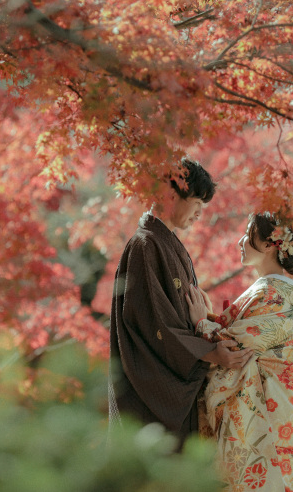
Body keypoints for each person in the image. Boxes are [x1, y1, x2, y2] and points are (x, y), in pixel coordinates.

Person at [109, 158, 254, 449]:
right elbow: (157, 325)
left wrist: (206, 325)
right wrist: (211, 352)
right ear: (172, 194)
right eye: (197, 204)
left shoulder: (165, 243)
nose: (200, 214)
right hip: (151, 389)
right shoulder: (145, 245)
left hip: (173, 379)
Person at [188, 212, 293, 491]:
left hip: (264, 427)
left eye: (248, 235)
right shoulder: (275, 291)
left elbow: (235, 348)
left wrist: (201, 323)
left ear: (271, 244)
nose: (240, 242)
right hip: (279, 423)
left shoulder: (272, 292)